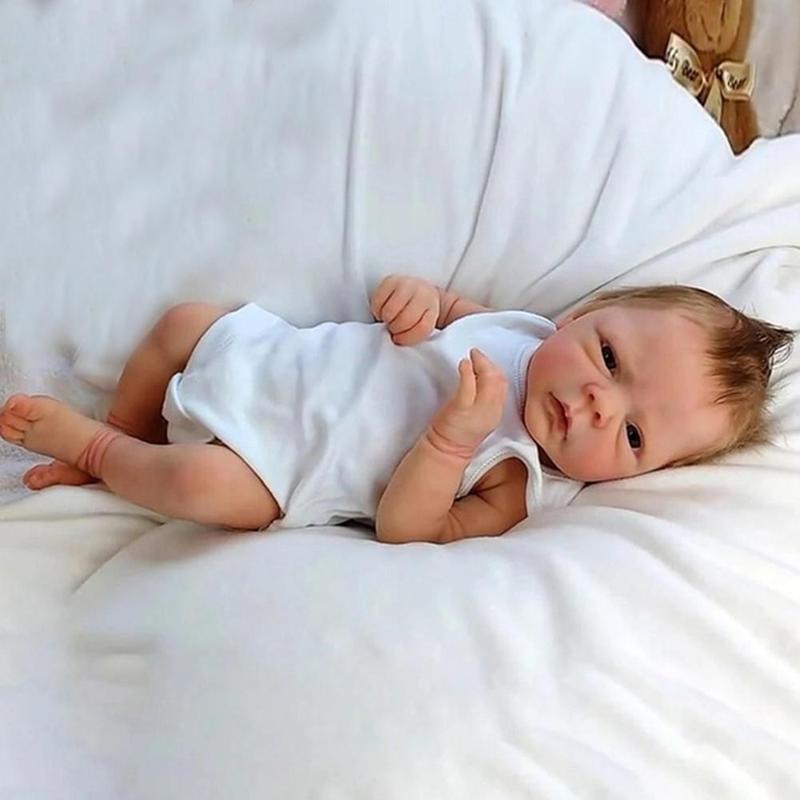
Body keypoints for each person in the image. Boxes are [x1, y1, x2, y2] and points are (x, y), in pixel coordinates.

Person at [0, 275, 793, 543]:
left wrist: (450, 443)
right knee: (186, 323)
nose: (596, 403)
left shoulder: (519, 479)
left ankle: (100, 454)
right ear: (585, 314)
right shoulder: (522, 329)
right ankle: (128, 427)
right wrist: (415, 300)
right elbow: (443, 309)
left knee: (198, 488)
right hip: (281, 362)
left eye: (633, 433)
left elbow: (411, 530)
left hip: (280, 467)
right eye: (611, 359)